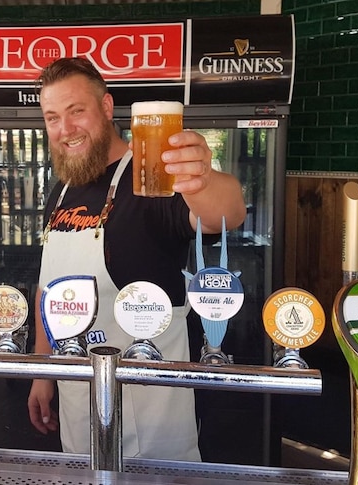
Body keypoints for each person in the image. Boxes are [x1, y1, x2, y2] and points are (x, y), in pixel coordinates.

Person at [26, 57, 246, 461]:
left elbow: (225, 213)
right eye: (53, 117)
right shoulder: (60, 192)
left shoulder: (152, 177)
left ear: (107, 108)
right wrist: (43, 371)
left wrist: (203, 179)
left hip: (151, 406)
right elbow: (49, 292)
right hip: (78, 396)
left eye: (77, 112)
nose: (65, 129)